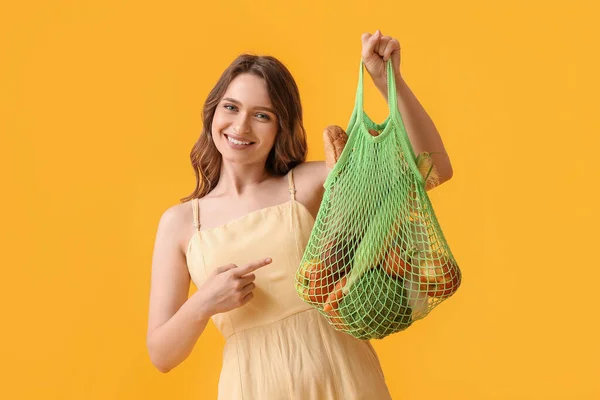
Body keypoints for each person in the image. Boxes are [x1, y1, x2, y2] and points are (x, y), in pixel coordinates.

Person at [146, 30, 453, 399]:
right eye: (231, 107)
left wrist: (390, 81)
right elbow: (162, 354)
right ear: (213, 111)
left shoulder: (311, 183)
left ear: (280, 127)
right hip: (252, 387)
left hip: (346, 379)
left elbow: (433, 166)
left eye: (262, 115)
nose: (241, 127)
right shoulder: (180, 224)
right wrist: (203, 303)